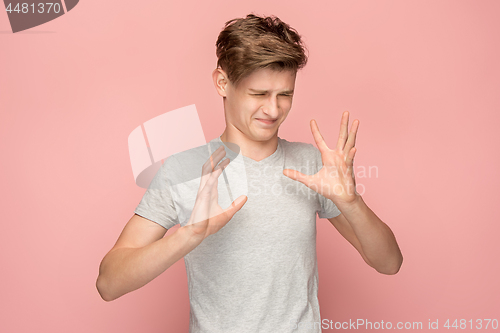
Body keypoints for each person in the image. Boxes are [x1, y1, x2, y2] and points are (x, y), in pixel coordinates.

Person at [96, 13, 403, 332]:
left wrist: (352, 203)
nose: (273, 110)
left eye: (285, 95)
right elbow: (108, 284)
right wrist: (188, 236)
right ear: (222, 82)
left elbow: (389, 263)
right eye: (258, 94)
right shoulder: (185, 169)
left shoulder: (311, 164)